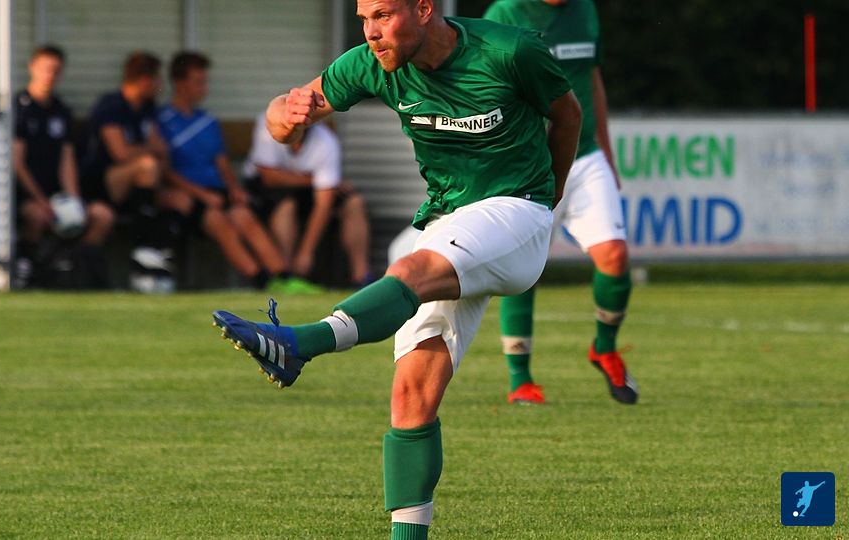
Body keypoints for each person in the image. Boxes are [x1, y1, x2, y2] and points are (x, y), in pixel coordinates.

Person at [211, 1, 581, 538]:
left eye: (383, 15)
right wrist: (285, 114)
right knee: (411, 397)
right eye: (364, 17)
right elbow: (281, 121)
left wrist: (549, 199)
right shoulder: (371, 62)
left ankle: (297, 343)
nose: (371, 31)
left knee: (410, 266)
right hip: (448, 221)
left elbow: (568, 115)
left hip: (516, 209)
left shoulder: (510, 50)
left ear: (424, 9)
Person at [484, 0, 638, 405]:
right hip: (529, 161)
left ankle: (605, 348)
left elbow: (592, 78)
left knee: (615, 256)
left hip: (584, 155)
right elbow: (482, 85)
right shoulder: (505, 13)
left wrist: (607, 152)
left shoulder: (585, 9)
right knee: (523, 270)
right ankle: (521, 379)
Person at [157, 51, 321, 293]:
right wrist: (201, 195)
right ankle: (261, 281)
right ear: (179, 83)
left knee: (243, 215)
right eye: (198, 82)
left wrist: (234, 189)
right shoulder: (162, 121)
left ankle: (284, 278)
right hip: (188, 197)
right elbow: (164, 169)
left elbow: (221, 162)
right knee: (218, 221)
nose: (204, 88)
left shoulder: (207, 121)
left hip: (215, 193)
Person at [12, 44, 114, 289]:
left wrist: (74, 199)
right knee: (37, 217)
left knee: (102, 216)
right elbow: (17, 162)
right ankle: (27, 271)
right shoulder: (19, 108)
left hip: (58, 196)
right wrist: (42, 202)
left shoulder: (61, 111)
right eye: (45, 69)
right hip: (27, 195)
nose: (50, 75)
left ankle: (74, 267)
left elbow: (66, 160)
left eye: (56, 70)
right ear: (32, 68)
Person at [81, 51, 178, 291]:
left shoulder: (147, 108)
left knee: (177, 199)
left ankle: (155, 256)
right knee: (147, 166)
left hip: (137, 187)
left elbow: (161, 149)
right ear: (145, 80)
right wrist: (151, 150)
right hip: (101, 184)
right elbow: (121, 153)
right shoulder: (111, 105)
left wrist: (155, 152)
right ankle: (143, 252)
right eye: (158, 80)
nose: (161, 86)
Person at [243, 113, 373, 287]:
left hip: (308, 192)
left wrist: (306, 252)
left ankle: (361, 278)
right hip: (267, 190)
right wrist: (314, 179)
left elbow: (324, 202)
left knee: (354, 202)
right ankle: (285, 276)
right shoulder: (268, 122)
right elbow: (269, 177)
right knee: (287, 204)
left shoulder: (326, 141)